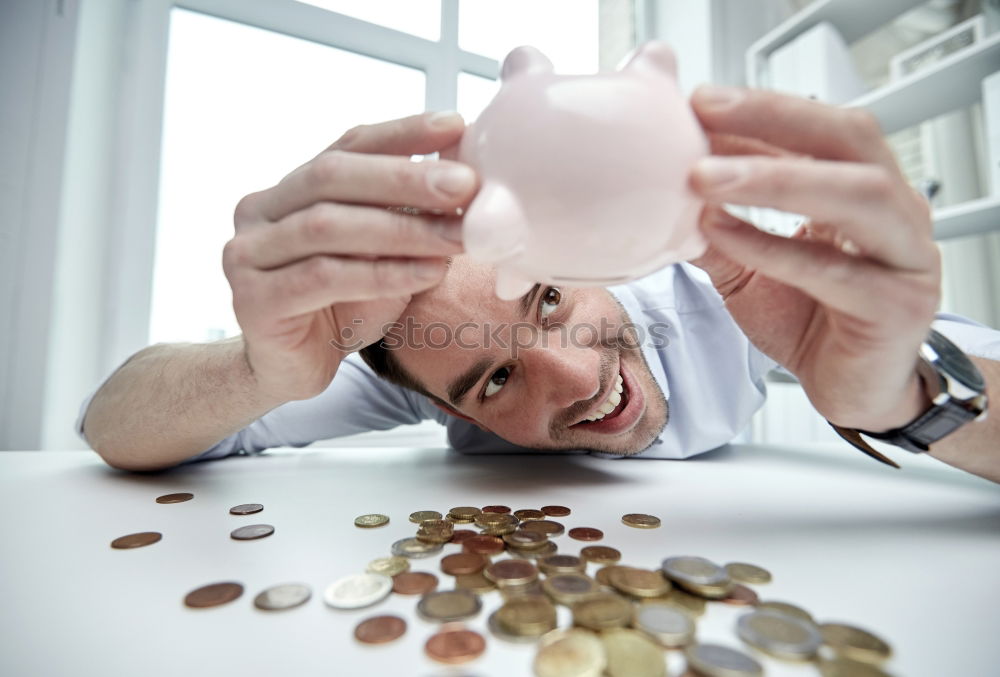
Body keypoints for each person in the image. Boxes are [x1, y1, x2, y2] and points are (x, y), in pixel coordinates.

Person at [77, 86, 1000, 483]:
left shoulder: (727, 278)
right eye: (494, 381)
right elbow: (107, 428)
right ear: (455, 412)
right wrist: (260, 376)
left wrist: (902, 399)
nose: (574, 378)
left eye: (548, 297)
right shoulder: (397, 362)